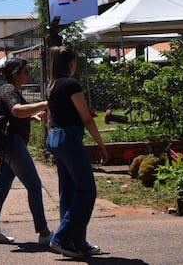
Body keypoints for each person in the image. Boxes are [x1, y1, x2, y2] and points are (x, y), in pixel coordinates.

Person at [45, 45, 108, 259]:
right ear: (70, 62)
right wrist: (101, 144)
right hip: (69, 138)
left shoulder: (52, 85)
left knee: (68, 192)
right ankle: (62, 238)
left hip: (55, 137)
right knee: (86, 190)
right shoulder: (71, 84)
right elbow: (87, 118)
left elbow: (70, 112)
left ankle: (75, 241)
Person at [0, 58, 52, 246]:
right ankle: (44, 232)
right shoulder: (9, 90)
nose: (27, 75)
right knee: (34, 186)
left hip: (8, 145)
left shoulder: (9, 90)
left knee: (1, 189)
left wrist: (33, 116)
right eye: (25, 72)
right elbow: (16, 111)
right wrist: (44, 104)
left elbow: (12, 115)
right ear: (15, 74)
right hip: (13, 144)